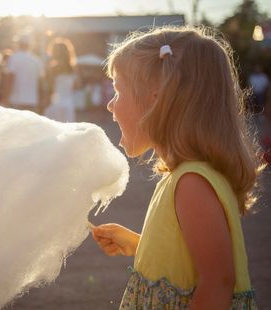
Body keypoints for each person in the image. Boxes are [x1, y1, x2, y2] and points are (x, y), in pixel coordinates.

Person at [91, 26, 264, 309]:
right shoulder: (185, 176)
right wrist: (139, 244)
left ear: (155, 101)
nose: (110, 105)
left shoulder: (192, 183)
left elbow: (218, 281)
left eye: (117, 92)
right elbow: (188, 263)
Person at [3, 34, 44, 113]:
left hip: (16, 101)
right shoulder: (36, 61)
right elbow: (40, 83)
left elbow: (10, 80)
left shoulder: (14, 58)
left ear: (19, 43)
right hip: (32, 102)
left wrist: (5, 99)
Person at [44, 37, 80, 122]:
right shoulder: (72, 69)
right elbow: (77, 86)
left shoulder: (52, 69)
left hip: (55, 104)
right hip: (69, 104)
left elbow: (49, 88)